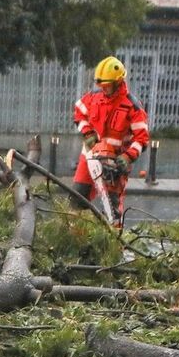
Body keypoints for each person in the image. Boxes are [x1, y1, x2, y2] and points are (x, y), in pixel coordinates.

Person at [72, 56, 150, 228]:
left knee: (112, 209)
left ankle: (114, 244)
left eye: (106, 86)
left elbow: (142, 138)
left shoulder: (132, 106)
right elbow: (79, 113)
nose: (103, 89)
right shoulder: (93, 97)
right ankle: (76, 238)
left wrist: (128, 157)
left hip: (114, 161)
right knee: (77, 198)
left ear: (118, 82)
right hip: (90, 156)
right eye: (101, 86)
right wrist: (87, 132)